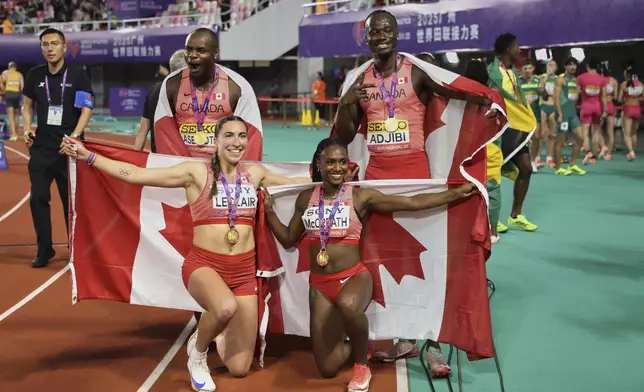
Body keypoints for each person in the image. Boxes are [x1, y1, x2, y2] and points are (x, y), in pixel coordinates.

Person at [60, 115, 311, 392]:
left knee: (239, 369)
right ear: (216, 141)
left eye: (241, 136)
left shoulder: (255, 175)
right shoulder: (196, 173)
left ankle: (207, 332)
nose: (236, 142)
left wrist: (337, 175)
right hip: (205, 265)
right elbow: (137, 175)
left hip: (243, 272)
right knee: (224, 306)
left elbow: (296, 182)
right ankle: (198, 356)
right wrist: (89, 156)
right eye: (229, 136)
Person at [333, 9, 499, 375]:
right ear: (367, 37)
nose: (381, 36)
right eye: (374, 31)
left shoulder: (416, 72)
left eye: (387, 30)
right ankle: (400, 338)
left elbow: (453, 91)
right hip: (376, 177)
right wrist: (347, 103)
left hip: (415, 174)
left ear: (396, 34)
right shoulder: (359, 80)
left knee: (428, 259)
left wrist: (487, 99)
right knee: (380, 260)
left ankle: (434, 345)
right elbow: (343, 138)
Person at [262, 138, 477, 391]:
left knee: (348, 304)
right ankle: (358, 344)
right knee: (327, 368)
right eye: (330, 162)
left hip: (354, 277)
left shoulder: (360, 197)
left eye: (343, 162)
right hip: (319, 286)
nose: (338, 168)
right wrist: (270, 212)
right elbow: (288, 238)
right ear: (319, 164)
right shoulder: (306, 198)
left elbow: (412, 203)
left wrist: (456, 193)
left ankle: (362, 366)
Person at [22, 28, 94, 268]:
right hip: (41, 148)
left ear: (64, 47)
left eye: (54, 44)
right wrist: (26, 127)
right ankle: (45, 249)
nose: (50, 48)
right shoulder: (34, 75)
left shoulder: (79, 75)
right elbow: (27, 105)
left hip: (69, 149)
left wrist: (74, 137)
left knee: (71, 204)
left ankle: (75, 248)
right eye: (45, 44)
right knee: (38, 199)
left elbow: (86, 110)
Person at [160, 27, 255, 159]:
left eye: (201, 50)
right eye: (189, 49)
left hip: (223, 169)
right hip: (184, 170)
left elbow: (251, 136)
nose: (192, 55)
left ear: (215, 53)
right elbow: (164, 133)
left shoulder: (237, 87)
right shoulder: (171, 85)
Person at [487, 33, 538, 231]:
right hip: (499, 130)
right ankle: (490, 217)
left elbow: (516, 99)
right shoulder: (494, 71)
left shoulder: (512, 71)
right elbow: (492, 95)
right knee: (492, 173)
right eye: (517, 46)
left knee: (526, 169)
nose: (520, 50)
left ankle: (515, 215)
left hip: (516, 129)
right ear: (508, 49)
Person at [464, 59, 504, 243]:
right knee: (493, 190)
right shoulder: (494, 95)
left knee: (470, 190)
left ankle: (470, 227)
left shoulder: (460, 96)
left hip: (468, 150)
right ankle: (493, 230)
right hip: (492, 149)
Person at [133, 50, 187, 152]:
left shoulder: (154, 90)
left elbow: (142, 131)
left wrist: (134, 161)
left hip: (158, 158)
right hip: (181, 160)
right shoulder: (188, 92)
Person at [553, 57, 586, 175]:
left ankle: (572, 164)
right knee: (560, 142)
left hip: (572, 113)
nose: (573, 67)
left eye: (574, 65)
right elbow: (556, 98)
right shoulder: (560, 80)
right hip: (563, 113)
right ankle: (558, 168)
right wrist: (560, 114)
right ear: (565, 66)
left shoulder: (576, 80)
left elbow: (576, 97)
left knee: (581, 138)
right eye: (570, 65)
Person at [576, 57, 608, 163]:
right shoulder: (602, 79)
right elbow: (603, 97)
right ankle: (594, 156)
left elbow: (576, 94)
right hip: (597, 107)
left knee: (585, 133)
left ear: (587, 66)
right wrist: (605, 110)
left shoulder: (580, 78)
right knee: (596, 132)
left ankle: (588, 151)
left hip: (585, 107)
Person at [518, 60, 542, 171]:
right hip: (521, 114)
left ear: (533, 69)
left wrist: (542, 90)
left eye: (529, 68)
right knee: (520, 139)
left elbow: (545, 96)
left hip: (535, 113)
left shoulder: (539, 80)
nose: (527, 71)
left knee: (536, 137)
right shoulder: (518, 81)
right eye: (525, 68)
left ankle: (533, 160)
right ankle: (521, 162)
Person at [618, 62, 642, 161]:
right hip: (637, 109)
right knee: (634, 133)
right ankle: (633, 151)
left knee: (626, 133)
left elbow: (619, 99)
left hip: (628, 108)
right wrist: (637, 99)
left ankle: (631, 152)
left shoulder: (624, 84)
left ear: (627, 74)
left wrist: (625, 99)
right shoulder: (640, 84)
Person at [539, 60, 559, 168]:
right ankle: (537, 157)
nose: (551, 67)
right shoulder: (542, 77)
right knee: (542, 134)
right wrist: (545, 80)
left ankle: (549, 158)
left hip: (553, 107)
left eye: (553, 65)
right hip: (543, 106)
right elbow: (541, 92)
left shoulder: (558, 79)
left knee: (551, 135)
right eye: (549, 65)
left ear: (556, 68)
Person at [599, 61, 618, 160]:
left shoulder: (599, 80)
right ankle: (608, 154)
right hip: (611, 105)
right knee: (610, 132)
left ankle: (603, 146)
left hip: (602, 107)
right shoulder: (614, 81)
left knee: (597, 129)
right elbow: (615, 97)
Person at [1, 61, 23, 141]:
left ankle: (13, 134)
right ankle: (16, 132)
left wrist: (3, 91)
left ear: (9, 67)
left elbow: (0, 82)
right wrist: (23, 99)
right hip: (17, 95)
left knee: (10, 116)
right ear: (15, 67)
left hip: (8, 94)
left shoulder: (5, 73)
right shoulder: (19, 75)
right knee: (16, 114)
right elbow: (23, 87)